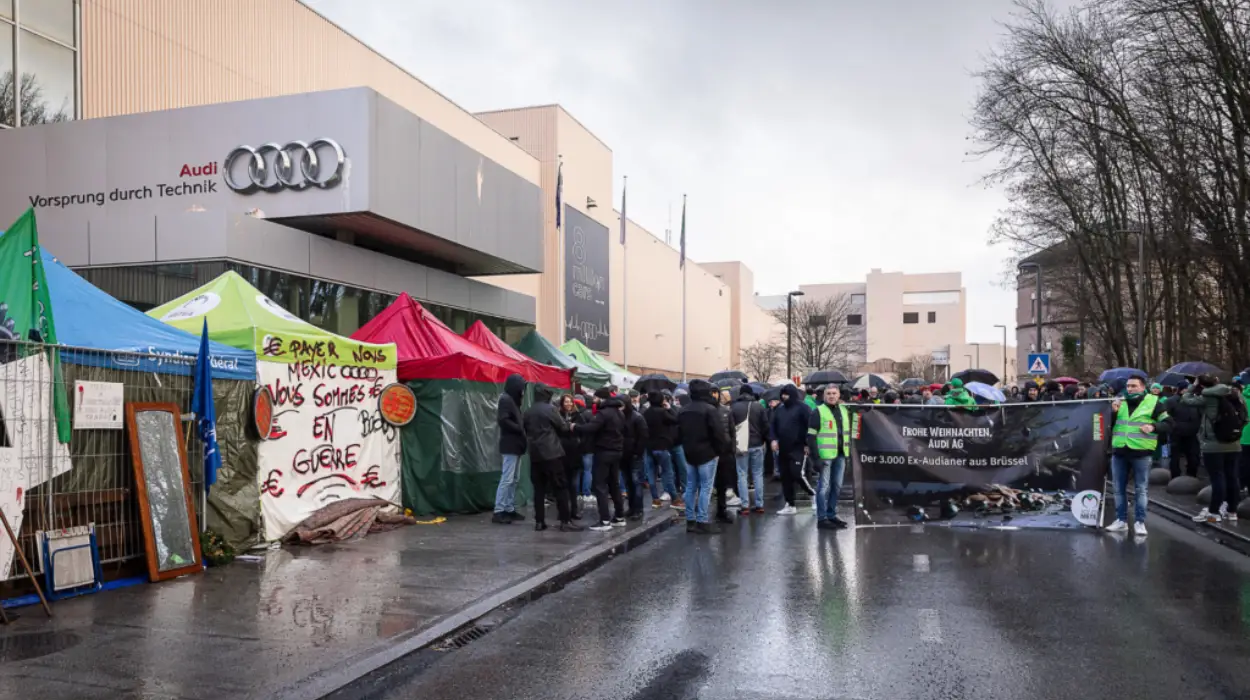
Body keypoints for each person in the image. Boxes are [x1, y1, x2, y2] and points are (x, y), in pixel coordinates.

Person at [1107, 376, 1171, 536]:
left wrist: (1153, 426)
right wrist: (1112, 413)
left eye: (1134, 386)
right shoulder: (1119, 401)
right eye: (1128, 386)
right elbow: (1107, 424)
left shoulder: (1154, 402)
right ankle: (1120, 520)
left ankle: (1139, 522)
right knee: (1118, 488)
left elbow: (1169, 423)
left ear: (1143, 387)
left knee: (1140, 489)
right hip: (1120, 450)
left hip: (1141, 452)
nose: (1130, 389)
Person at [523, 386, 582, 532]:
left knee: (539, 489)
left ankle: (539, 521)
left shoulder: (528, 411)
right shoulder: (550, 409)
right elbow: (562, 427)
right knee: (560, 487)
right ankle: (565, 520)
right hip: (552, 453)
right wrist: (571, 426)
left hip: (535, 455)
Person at [1188, 375, 1245, 523]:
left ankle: (1214, 512)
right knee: (1233, 477)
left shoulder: (1208, 397)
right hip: (1234, 444)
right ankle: (1232, 511)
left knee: (1217, 478)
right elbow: (1244, 417)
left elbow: (1186, 400)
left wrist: (1192, 386)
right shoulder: (1236, 395)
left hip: (1213, 446)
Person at [679, 379, 730, 533]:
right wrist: (720, 450)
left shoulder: (683, 410)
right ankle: (702, 520)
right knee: (705, 488)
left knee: (691, 487)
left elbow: (679, 432)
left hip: (689, 452)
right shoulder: (710, 410)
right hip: (707, 453)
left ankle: (690, 520)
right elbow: (719, 433)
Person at [575, 387, 628, 532]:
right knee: (614, 484)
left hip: (604, 452)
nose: (594, 400)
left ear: (602, 398)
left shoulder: (603, 414)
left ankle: (605, 520)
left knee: (600, 486)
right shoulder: (619, 413)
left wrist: (575, 427)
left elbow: (591, 428)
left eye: (596, 398)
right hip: (617, 451)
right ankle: (619, 517)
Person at [808, 384, 852, 530]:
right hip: (825, 456)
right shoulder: (818, 412)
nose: (831, 396)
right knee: (823, 488)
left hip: (840, 454)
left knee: (837, 486)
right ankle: (822, 518)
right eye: (828, 394)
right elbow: (811, 437)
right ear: (824, 396)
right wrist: (816, 459)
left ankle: (831, 514)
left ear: (839, 395)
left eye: (834, 393)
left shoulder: (844, 411)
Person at [771, 384, 812, 515]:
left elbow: (810, 426)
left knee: (797, 473)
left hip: (798, 447)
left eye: (786, 394)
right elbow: (773, 425)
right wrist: (773, 439)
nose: (784, 397)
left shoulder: (803, 408)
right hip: (783, 447)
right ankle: (790, 503)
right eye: (782, 394)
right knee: (785, 476)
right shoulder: (780, 409)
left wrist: (807, 443)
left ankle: (813, 494)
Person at [493, 374, 527, 525]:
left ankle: (508, 508)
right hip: (510, 444)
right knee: (507, 479)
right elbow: (503, 420)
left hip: (515, 445)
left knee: (513, 479)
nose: (523, 391)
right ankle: (499, 510)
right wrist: (519, 429)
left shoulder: (511, 400)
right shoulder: (506, 400)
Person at [732, 384, 769, 515]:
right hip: (757, 444)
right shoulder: (759, 406)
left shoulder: (734, 407)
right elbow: (765, 426)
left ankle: (745, 505)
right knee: (758, 474)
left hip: (741, 445)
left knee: (742, 475)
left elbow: (731, 428)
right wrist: (764, 441)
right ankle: (759, 504)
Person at [644, 391, 680, 509]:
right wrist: (669, 408)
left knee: (651, 475)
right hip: (662, 446)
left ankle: (655, 499)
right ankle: (675, 499)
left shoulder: (646, 413)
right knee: (667, 473)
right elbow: (676, 420)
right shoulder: (663, 412)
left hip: (649, 447)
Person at [558, 394, 586, 521]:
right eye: (566, 402)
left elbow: (583, 431)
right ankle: (563, 511)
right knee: (562, 484)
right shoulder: (558, 415)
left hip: (575, 454)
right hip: (562, 454)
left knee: (573, 485)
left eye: (570, 402)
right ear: (562, 403)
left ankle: (574, 510)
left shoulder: (578, 416)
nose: (568, 404)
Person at [621, 396, 649, 521]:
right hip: (624, 454)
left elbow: (643, 436)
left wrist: (637, 452)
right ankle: (632, 507)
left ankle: (638, 509)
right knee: (629, 482)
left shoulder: (637, 417)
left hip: (634, 455)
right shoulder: (622, 417)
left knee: (636, 482)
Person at [1166, 380, 1201, 478]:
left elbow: (1199, 415)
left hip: (1192, 433)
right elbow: (1166, 416)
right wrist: (1174, 426)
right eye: (1187, 389)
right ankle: (1175, 477)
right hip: (1177, 433)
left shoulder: (1195, 400)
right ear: (1181, 390)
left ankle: (1191, 476)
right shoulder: (1171, 401)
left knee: (1193, 456)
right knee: (1175, 457)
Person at [713, 388, 737, 523]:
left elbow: (732, 431)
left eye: (716, 393)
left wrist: (732, 447)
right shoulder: (710, 411)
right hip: (713, 451)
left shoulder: (726, 411)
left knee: (722, 481)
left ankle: (721, 509)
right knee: (714, 483)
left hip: (725, 451)